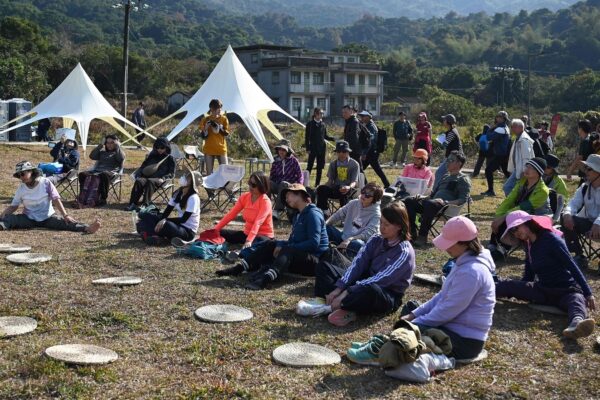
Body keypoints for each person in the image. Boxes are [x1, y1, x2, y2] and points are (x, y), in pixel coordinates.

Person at [397, 216, 496, 360]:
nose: (446, 248)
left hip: (464, 341)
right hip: (450, 326)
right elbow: (442, 296)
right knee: (410, 310)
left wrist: (415, 323)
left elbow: (448, 310)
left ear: (464, 243)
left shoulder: (472, 272)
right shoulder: (464, 261)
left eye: (450, 243)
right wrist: (413, 315)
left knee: (407, 332)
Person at [496, 211, 595, 339]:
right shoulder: (529, 245)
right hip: (543, 289)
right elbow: (529, 274)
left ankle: (576, 325)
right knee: (508, 284)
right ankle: (481, 291)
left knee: (576, 300)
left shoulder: (551, 239)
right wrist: (521, 288)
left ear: (528, 223)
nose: (516, 233)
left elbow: (572, 266)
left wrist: (588, 293)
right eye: (512, 231)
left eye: (517, 228)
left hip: (565, 290)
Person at [315, 201, 415, 326]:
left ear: (399, 226)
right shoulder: (376, 239)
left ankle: (345, 306)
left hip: (386, 292)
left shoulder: (404, 252)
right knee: (325, 267)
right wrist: (340, 287)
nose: (381, 227)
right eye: (381, 222)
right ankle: (341, 303)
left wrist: (348, 291)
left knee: (369, 290)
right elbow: (358, 264)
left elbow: (381, 279)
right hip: (365, 280)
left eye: (387, 224)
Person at [216, 184, 329, 291]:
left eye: (288, 195)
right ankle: (239, 268)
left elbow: (314, 243)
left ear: (299, 194)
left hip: (314, 261)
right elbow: (292, 241)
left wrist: (287, 247)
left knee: (288, 249)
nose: (286, 199)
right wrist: (280, 245)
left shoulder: (312, 214)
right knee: (271, 243)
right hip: (299, 255)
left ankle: (265, 279)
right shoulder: (298, 215)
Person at [0, 161, 101, 233]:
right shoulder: (21, 188)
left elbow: (56, 199)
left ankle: (88, 228)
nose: (21, 177)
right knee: (11, 219)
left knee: (66, 222)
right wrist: (3, 214)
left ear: (32, 172)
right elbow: (14, 206)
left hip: (47, 217)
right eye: (19, 175)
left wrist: (65, 215)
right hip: (28, 218)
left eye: (23, 173)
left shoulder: (45, 182)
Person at [404, 151, 471, 247]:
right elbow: (433, 194)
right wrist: (422, 197)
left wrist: (445, 202)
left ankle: (422, 237)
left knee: (430, 204)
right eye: (447, 160)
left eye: (451, 160)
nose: (448, 162)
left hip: (445, 207)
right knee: (409, 201)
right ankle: (413, 232)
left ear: (459, 163)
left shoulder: (463, 179)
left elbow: (462, 200)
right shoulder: (445, 176)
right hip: (431, 204)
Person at [488, 157, 550, 261]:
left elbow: (524, 207)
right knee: (505, 217)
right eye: (527, 166)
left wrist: (504, 217)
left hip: (537, 218)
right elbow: (509, 199)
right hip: (520, 214)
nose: (526, 169)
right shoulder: (522, 182)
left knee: (511, 220)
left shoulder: (543, 191)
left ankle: (503, 249)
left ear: (538, 172)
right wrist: (498, 215)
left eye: (531, 168)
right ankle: (493, 245)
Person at [212, 171, 274, 251]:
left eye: (254, 185)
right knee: (219, 232)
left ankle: (246, 249)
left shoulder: (265, 202)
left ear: (262, 186)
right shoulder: (245, 197)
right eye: (249, 183)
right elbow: (230, 215)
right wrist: (215, 229)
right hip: (247, 234)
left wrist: (249, 241)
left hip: (263, 236)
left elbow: (258, 223)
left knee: (260, 243)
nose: (250, 187)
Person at [138, 170, 202, 245]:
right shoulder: (178, 193)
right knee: (146, 216)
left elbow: (183, 220)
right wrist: (161, 219)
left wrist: (165, 220)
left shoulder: (193, 198)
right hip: (178, 226)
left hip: (187, 231)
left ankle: (151, 234)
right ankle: (157, 236)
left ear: (192, 183)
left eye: (187, 177)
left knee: (166, 225)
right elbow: (167, 211)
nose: (183, 177)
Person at [561, 154, 600, 269]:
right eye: (585, 168)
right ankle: (578, 255)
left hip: (597, 224)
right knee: (565, 218)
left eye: (589, 169)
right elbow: (573, 203)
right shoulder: (584, 187)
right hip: (590, 224)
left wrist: (598, 223)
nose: (586, 171)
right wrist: (567, 214)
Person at [325, 183, 382, 259]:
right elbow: (338, 215)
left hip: (356, 242)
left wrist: (350, 239)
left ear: (375, 199)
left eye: (368, 195)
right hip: (344, 237)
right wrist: (325, 224)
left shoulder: (376, 214)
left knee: (357, 244)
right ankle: (324, 253)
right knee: (325, 228)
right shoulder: (354, 203)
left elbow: (366, 235)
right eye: (363, 192)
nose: (364, 195)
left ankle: (342, 260)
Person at [126, 137, 176, 211]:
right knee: (139, 181)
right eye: (157, 147)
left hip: (160, 180)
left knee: (150, 181)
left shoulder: (170, 159)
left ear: (167, 147)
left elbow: (172, 173)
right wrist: (138, 174)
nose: (159, 149)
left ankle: (145, 205)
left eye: (162, 147)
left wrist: (164, 178)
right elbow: (143, 166)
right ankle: (133, 204)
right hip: (147, 177)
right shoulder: (152, 155)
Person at [78, 134, 125, 206]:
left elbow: (121, 159)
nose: (109, 145)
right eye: (107, 143)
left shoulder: (118, 153)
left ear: (116, 143)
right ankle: (83, 195)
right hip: (97, 171)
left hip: (111, 173)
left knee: (103, 175)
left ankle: (103, 199)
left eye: (112, 143)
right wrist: (100, 145)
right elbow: (92, 156)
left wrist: (118, 146)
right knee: (82, 174)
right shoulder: (102, 153)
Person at [316, 140, 360, 214]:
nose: (341, 154)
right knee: (321, 189)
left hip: (349, 189)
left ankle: (344, 215)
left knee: (343, 192)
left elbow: (354, 182)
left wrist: (348, 187)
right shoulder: (333, 164)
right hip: (336, 188)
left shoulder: (354, 164)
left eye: (344, 152)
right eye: (339, 152)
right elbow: (330, 181)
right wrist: (322, 187)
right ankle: (324, 212)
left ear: (348, 152)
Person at [269, 139, 303, 219]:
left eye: (284, 150)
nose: (281, 151)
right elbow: (272, 175)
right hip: (277, 186)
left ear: (288, 151)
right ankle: (265, 207)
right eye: (280, 149)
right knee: (266, 182)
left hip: (289, 187)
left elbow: (300, 175)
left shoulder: (294, 161)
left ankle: (278, 210)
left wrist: (298, 185)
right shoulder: (275, 161)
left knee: (283, 183)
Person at [482, 111, 511, 196]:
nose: (497, 118)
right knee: (507, 174)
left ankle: (491, 190)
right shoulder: (505, 127)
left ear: (504, 119)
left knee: (488, 170)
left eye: (500, 117)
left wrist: (490, 128)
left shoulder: (500, 129)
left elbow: (488, 137)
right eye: (497, 116)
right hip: (503, 154)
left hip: (500, 155)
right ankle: (516, 190)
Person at [358, 110, 390, 188]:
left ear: (368, 117)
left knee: (363, 169)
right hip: (370, 151)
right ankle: (386, 184)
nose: (361, 118)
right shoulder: (366, 125)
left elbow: (370, 140)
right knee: (361, 169)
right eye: (361, 116)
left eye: (363, 116)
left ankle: (386, 184)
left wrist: (364, 153)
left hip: (371, 152)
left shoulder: (371, 126)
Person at [503, 119, 534, 196]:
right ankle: (514, 204)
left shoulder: (524, 140)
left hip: (521, 170)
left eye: (513, 127)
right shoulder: (518, 138)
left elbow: (526, 157)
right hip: (517, 169)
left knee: (507, 187)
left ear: (520, 127)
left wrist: (524, 171)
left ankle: (512, 204)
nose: (512, 129)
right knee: (517, 189)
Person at [305, 107, 335, 186]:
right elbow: (307, 137)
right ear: (315, 114)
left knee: (320, 167)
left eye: (322, 113)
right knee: (309, 166)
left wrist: (333, 138)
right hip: (312, 148)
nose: (322, 115)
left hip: (321, 149)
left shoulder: (323, 124)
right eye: (320, 113)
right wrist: (307, 148)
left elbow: (325, 136)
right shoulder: (310, 124)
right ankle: (305, 183)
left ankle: (317, 184)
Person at [199, 99, 230, 175]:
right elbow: (203, 136)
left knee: (225, 172)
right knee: (209, 173)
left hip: (221, 148)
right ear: (211, 109)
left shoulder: (224, 119)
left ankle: (223, 187)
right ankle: (210, 187)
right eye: (217, 108)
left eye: (220, 108)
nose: (219, 110)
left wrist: (219, 128)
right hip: (209, 149)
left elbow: (226, 133)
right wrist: (206, 128)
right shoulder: (205, 119)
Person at [434, 114, 462, 184]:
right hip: (454, 156)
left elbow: (444, 145)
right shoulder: (452, 131)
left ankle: (434, 191)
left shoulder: (452, 133)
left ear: (448, 122)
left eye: (444, 120)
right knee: (447, 175)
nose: (443, 121)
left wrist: (434, 152)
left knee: (439, 173)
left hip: (453, 157)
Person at [543, 154, 568, 222]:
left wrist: (555, 219)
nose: (544, 168)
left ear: (553, 169)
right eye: (543, 166)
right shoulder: (537, 176)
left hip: (552, 208)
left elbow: (560, 203)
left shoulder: (559, 182)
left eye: (548, 167)